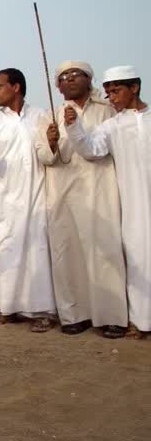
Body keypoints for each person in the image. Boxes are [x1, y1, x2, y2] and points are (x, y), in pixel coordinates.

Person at [36, 61, 127, 338]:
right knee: (67, 253)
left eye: (76, 74)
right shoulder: (50, 115)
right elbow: (43, 156)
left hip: (100, 189)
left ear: (89, 79)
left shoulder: (107, 110)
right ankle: (74, 315)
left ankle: (112, 317)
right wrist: (51, 141)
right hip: (62, 192)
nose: (70, 79)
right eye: (63, 77)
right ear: (57, 86)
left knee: (105, 251)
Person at [65, 65, 149, 340]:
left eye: (116, 90)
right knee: (138, 257)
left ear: (134, 88)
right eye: (108, 92)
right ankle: (142, 322)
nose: (111, 97)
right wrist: (73, 127)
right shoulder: (113, 125)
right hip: (134, 202)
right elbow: (90, 149)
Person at [0, 68, 56, 332]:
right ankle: (5, 307)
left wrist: (53, 142)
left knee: (37, 250)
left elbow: (47, 155)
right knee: (4, 249)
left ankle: (41, 311)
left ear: (16, 87)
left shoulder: (41, 116)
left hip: (35, 193)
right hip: (3, 199)